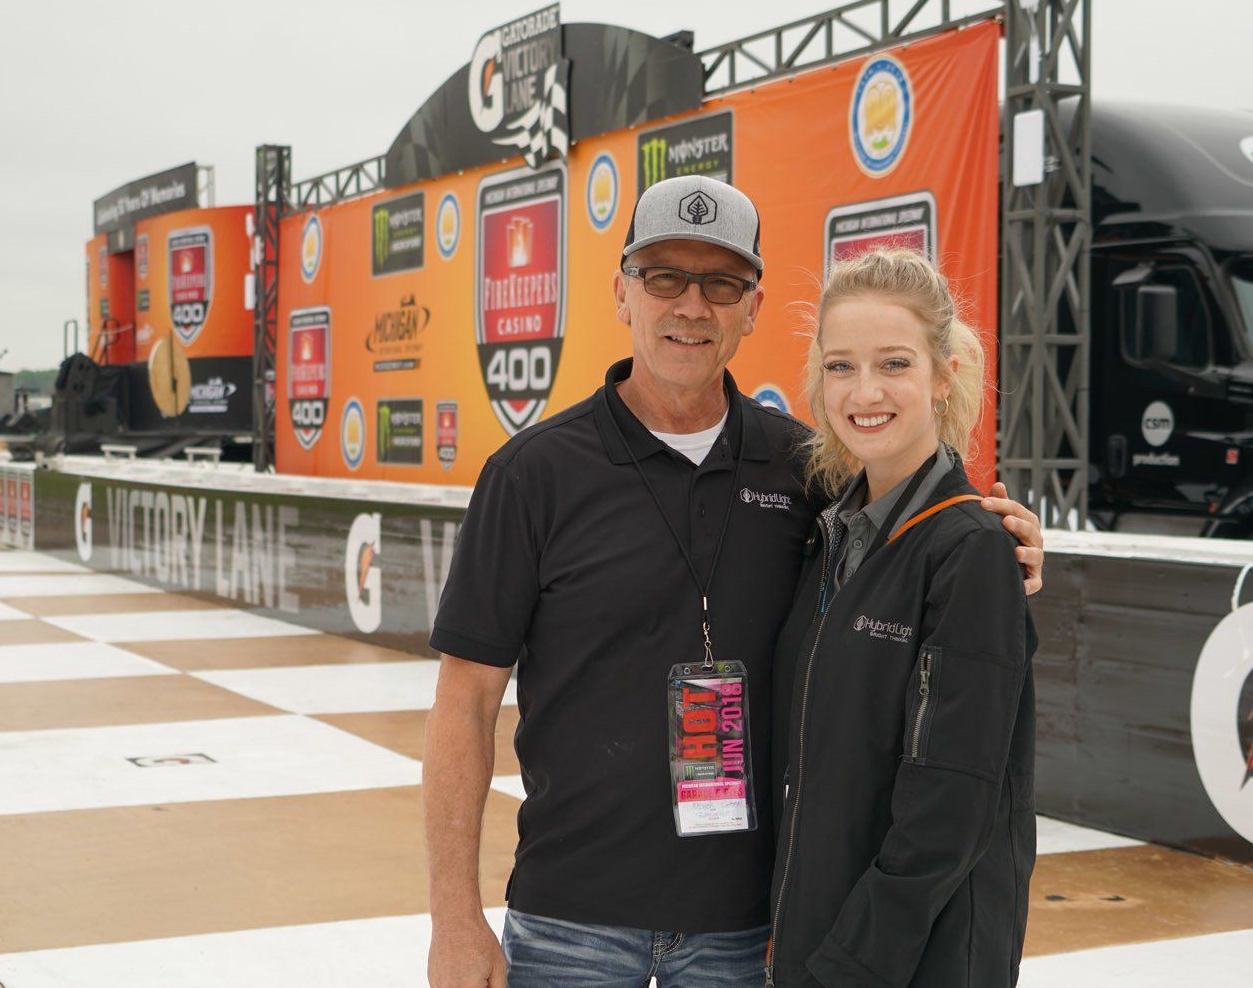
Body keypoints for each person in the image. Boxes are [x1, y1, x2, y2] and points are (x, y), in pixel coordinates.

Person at [424, 176, 1044, 988]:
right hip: (571, 919)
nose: (692, 306)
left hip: (749, 931)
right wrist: (453, 917)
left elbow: (915, 530)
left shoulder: (808, 471)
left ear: (752, 308)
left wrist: (1001, 543)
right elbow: (465, 704)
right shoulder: (531, 476)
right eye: (664, 277)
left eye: (720, 283)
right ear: (622, 292)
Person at [766, 249, 1037, 988]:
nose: (865, 391)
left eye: (893, 363)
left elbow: (953, 802)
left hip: (903, 961)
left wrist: (852, 964)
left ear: (943, 375)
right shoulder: (832, 535)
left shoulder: (971, 550)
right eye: (841, 366)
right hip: (817, 941)